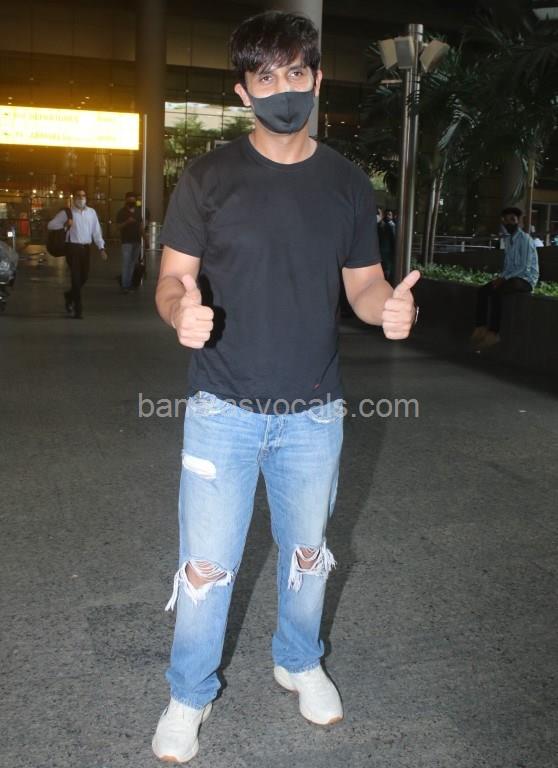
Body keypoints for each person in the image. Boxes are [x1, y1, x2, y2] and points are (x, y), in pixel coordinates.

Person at [151, 11, 420, 764]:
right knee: (205, 567)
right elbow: (172, 278)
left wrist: (387, 308)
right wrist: (179, 313)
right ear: (243, 92)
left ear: (318, 79)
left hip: (314, 411)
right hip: (222, 408)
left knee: (307, 553)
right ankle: (188, 694)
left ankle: (298, 661)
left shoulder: (346, 183)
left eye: (296, 72)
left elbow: (362, 284)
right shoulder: (207, 178)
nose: (283, 89)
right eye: (265, 76)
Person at [471, 207, 539, 348]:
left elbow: (524, 267)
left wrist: (503, 279)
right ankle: (480, 327)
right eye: (506, 220)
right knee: (483, 291)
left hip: (526, 280)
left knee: (498, 291)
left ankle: (493, 333)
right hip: (511, 278)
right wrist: (501, 277)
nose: (509, 223)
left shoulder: (525, 239)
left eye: (512, 220)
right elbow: (507, 266)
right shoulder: (508, 240)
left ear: (518, 221)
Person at [47, 189, 107, 319]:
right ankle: (78, 310)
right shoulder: (67, 213)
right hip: (72, 248)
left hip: (86, 248)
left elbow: (96, 231)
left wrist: (101, 248)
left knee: (84, 276)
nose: (81, 198)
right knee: (75, 278)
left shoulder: (91, 212)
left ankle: (69, 296)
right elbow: (50, 225)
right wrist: (65, 224)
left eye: (83, 195)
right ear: (74, 198)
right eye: (78, 196)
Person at [116, 191, 144, 293]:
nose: (132, 202)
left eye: (133, 200)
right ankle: (125, 285)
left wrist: (145, 238)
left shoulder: (138, 212)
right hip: (126, 241)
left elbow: (140, 226)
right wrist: (127, 222)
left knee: (132, 263)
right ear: (126, 200)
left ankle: (129, 284)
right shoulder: (121, 212)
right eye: (130, 200)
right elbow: (118, 227)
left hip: (137, 241)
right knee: (126, 263)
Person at [377, 208, 396, 283]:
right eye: (387, 214)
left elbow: (393, 240)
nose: (388, 216)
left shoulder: (391, 225)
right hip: (383, 251)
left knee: (387, 268)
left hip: (387, 251)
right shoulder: (383, 225)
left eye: (389, 214)